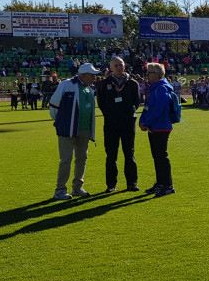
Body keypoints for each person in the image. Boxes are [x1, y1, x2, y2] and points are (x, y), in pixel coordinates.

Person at [49, 62, 100, 200]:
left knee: (81, 159)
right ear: (83, 75)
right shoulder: (67, 85)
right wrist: (61, 122)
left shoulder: (89, 89)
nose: (94, 78)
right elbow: (54, 105)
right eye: (92, 75)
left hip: (84, 129)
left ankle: (77, 187)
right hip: (67, 128)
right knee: (66, 159)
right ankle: (60, 189)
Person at [97, 56, 141, 193]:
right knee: (111, 155)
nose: (119, 67)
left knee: (129, 153)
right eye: (115, 65)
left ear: (125, 66)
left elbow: (137, 102)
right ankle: (111, 185)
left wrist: (126, 113)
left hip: (128, 123)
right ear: (110, 68)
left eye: (121, 65)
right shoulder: (104, 84)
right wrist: (112, 114)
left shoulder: (132, 83)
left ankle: (132, 183)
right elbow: (101, 103)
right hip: (111, 124)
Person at [139, 62, 177, 197]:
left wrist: (147, 122)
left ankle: (167, 185)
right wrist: (142, 121)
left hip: (161, 126)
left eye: (149, 73)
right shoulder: (154, 87)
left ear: (157, 74)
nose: (147, 75)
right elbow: (147, 107)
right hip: (155, 126)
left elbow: (159, 109)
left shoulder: (161, 88)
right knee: (157, 156)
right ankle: (161, 183)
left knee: (161, 156)